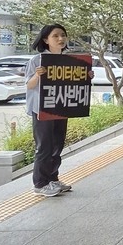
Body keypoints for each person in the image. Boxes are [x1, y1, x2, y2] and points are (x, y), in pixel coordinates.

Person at [24, 23, 75, 197]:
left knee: (57, 145)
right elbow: (29, 86)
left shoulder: (68, 60)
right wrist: (38, 75)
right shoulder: (37, 60)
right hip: (42, 108)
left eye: (63, 35)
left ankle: (53, 179)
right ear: (46, 40)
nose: (61, 39)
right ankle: (40, 183)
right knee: (44, 146)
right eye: (56, 36)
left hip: (61, 106)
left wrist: (85, 76)